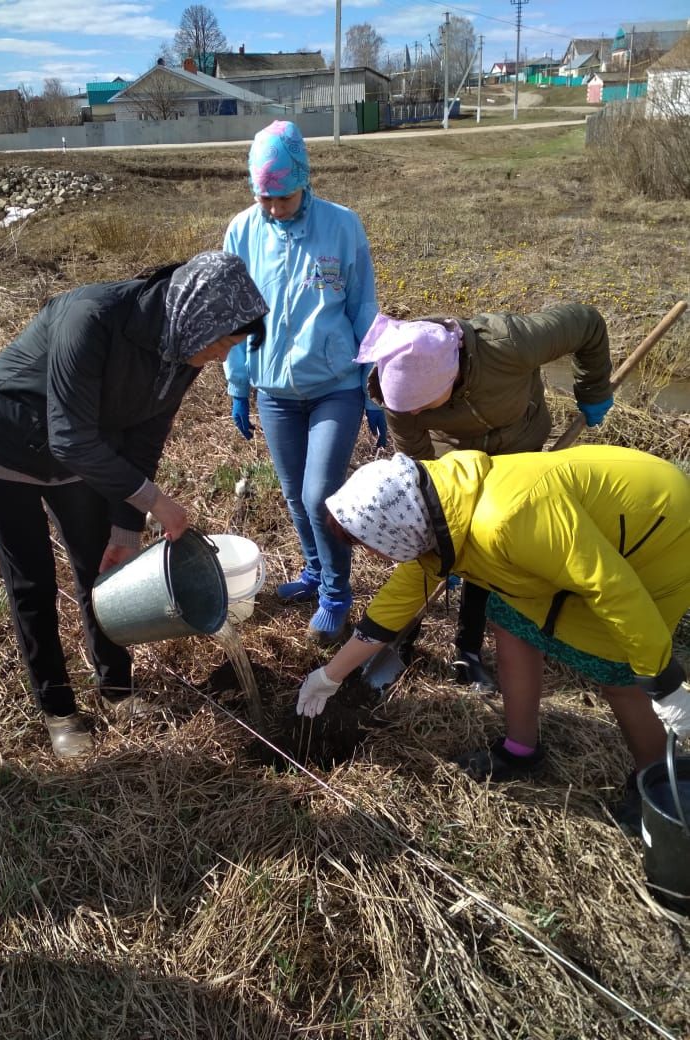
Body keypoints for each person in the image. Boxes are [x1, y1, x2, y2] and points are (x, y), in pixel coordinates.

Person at [0, 251, 269, 760]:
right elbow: (69, 439)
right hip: (3, 443)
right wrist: (156, 503)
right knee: (31, 579)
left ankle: (117, 690)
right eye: (223, 343)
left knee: (101, 568)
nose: (220, 357)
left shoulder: (182, 348)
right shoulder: (93, 319)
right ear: (196, 315)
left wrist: (126, 532)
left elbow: (145, 438)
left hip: (82, 454)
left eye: (231, 348)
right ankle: (58, 708)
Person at [295, 449, 690, 824]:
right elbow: (390, 610)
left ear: (397, 530)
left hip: (656, 529)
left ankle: (656, 784)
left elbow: (611, 587)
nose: (374, 557)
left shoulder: (506, 519)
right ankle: (521, 750)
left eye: (370, 546)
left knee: (616, 668)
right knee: (510, 621)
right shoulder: (435, 513)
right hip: (572, 546)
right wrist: (329, 677)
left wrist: (664, 680)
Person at [356, 304, 615, 691]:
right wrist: (442, 531)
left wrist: (592, 389)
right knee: (432, 547)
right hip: (454, 462)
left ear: (451, 376)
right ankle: (400, 636)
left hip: (519, 451)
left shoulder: (511, 343)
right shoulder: (399, 394)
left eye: (426, 405)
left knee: (490, 551)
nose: (418, 413)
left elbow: (589, 324)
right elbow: (417, 460)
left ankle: (468, 649)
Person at [223, 119, 387, 647]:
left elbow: (362, 305)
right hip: (275, 390)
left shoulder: (341, 227)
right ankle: (315, 571)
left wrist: (376, 383)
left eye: (283, 196)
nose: (273, 208)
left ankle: (337, 594)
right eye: (264, 197)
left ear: (305, 180)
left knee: (320, 495)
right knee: (295, 495)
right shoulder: (242, 231)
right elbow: (234, 315)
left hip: (335, 384)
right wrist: (239, 383)